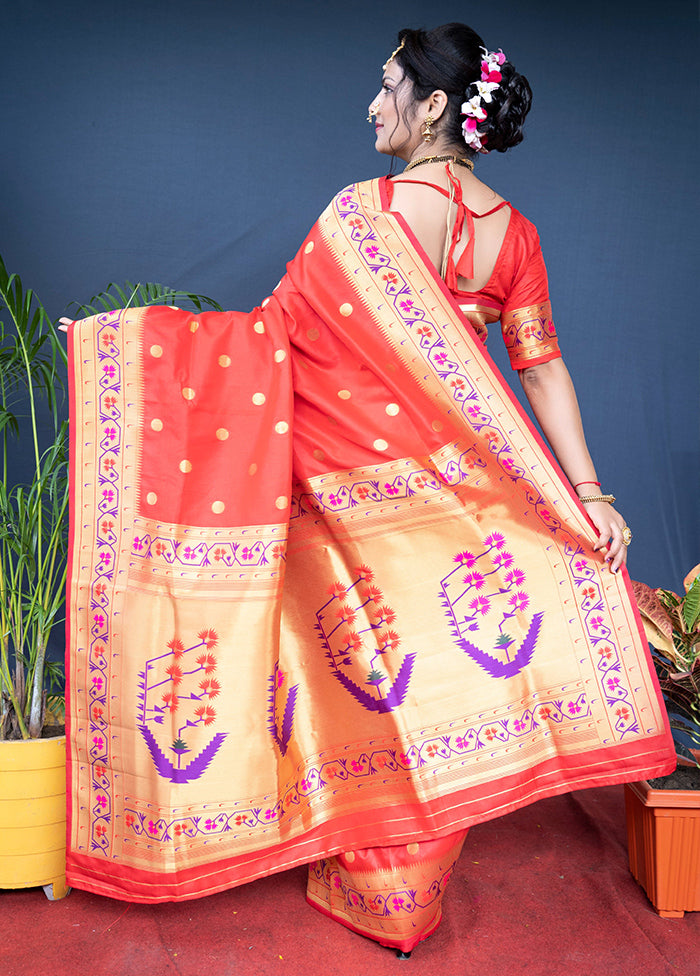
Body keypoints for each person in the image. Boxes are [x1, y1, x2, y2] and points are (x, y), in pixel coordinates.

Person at [63, 23, 674, 958]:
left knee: (350, 662)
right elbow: (542, 369)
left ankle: (365, 871)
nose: (372, 105)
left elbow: (266, 343)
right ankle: (400, 891)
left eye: (388, 87)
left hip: (346, 479)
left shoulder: (369, 212)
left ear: (434, 107)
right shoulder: (517, 234)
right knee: (430, 668)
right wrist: (588, 494)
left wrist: (131, 347)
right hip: (459, 491)